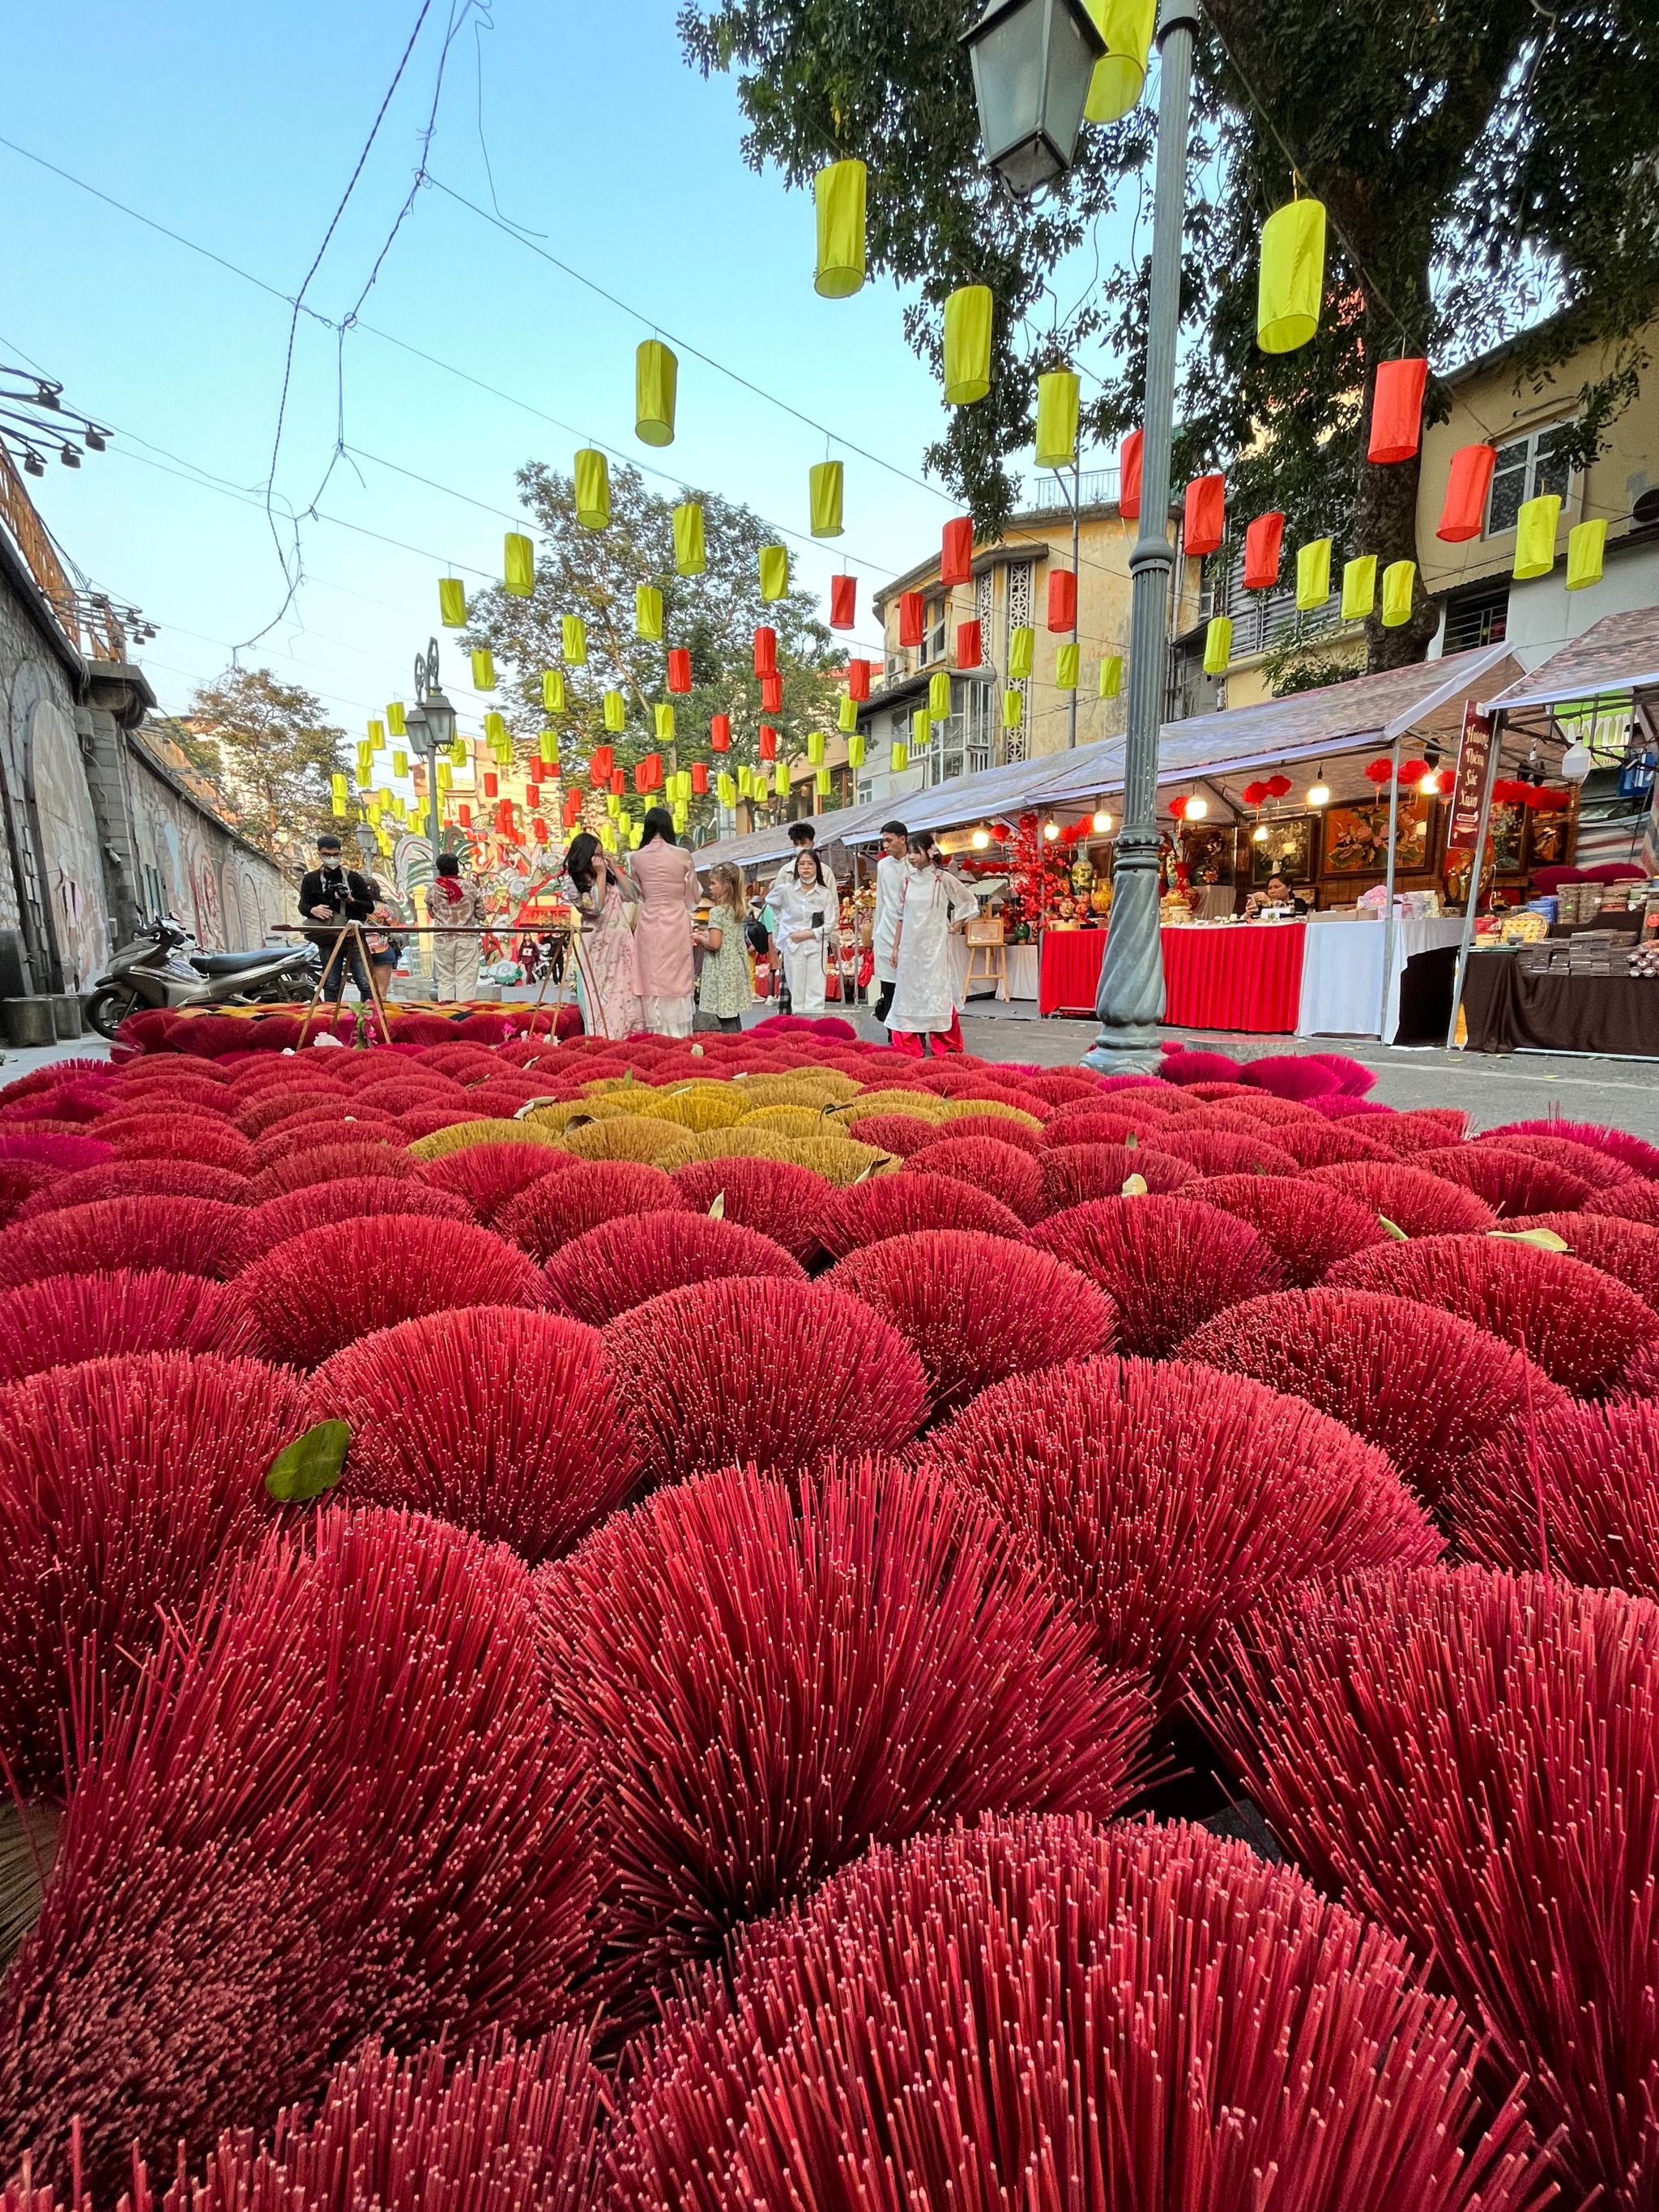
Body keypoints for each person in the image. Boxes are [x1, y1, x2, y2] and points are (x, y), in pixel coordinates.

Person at [889, 831, 979, 1055]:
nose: (911, 857)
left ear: (930, 852)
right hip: (911, 948)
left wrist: (958, 922)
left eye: (915, 852)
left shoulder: (943, 879)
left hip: (935, 947)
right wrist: (896, 947)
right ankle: (908, 1044)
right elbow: (901, 917)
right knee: (909, 992)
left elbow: (968, 901)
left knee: (937, 990)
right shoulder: (906, 881)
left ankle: (945, 1042)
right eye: (909, 852)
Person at [561, 830, 641, 1039]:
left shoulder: (609, 877)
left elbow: (633, 895)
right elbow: (595, 907)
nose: (599, 860)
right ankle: (603, 1039)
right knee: (599, 996)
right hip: (596, 948)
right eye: (596, 855)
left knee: (626, 994)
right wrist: (601, 875)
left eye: (601, 854)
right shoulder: (574, 883)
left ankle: (628, 1037)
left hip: (621, 944)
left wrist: (613, 868)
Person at [629, 807, 699, 1035]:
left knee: (651, 976)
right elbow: (693, 894)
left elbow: (638, 892)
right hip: (676, 920)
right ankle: (678, 1033)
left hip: (649, 920)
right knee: (677, 977)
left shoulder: (636, 857)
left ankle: (656, 1032)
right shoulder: (682, 854)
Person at [297, 833, 377, 1006]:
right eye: (327, 855)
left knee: (364, 981)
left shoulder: (353, 878)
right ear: (319, 854)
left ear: (341, 854)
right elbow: (302, 906)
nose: (332, 859)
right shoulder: (311, 879)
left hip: (353, 934)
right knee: (331, 982)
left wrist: (351, 900)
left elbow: (369, 907)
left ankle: (369, 1018)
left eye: (336, 855)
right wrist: (313, 910)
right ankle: (330, 1016)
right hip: (327, 936)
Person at [770, 847, 834, 1014]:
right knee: (797, 991)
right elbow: (771, 902)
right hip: (794, 947)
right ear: (797, 868)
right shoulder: (787, 890)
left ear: (817, 867)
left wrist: (807, 934)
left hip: (816, 946)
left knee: (816, 990)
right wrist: (785, 922)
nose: (806, 868)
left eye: (810, 864)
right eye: (802, 864)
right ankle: (799, 1029)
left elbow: (830, 924)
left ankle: (815, 1029)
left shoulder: (824, 893)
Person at [695, 862, 750, 1032]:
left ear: (726, 886)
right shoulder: (736, 909)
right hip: (735, 967)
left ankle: (731, 1048)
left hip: (722, 970)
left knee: (724, 1017)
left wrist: (700, 938)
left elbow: (715, 943)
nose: (710, 887)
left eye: (713, 883)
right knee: (733, 1014)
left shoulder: (717, 912)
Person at [427, 852, 486, 1001]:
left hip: (442, 939)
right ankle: (464, 1016)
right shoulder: (470, 887)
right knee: (465, 979)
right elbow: (482, 914)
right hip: (466, 938)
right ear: (457, 867)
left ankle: (446, 1016)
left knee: (445, 979)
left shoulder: (433, 889)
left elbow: (432, 913)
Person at [870, 818, 908, 1029]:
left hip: (909, 930)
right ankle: (891, 1030)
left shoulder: (915, 863)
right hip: (886, 930)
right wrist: (876, 935)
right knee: (888, 984)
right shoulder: (883, 865)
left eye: (889, 840)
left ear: (902, 839)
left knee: (909, 984)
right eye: (883, 841)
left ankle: (911, 1031)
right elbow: (881, 900)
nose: (885, 845)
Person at [364, 886, 406, 1004]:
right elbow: (395, 928)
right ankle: (378, 1015)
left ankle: (363, 1013)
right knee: (381, 989)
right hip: (381, 948)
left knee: (366, 987)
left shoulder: (353, 907)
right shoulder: (383, 908)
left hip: (359, 949)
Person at [1245, 872, 1309, 918]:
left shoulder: (1298, 903)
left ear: (1288, 888)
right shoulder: (1263, 907)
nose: (1272, 891)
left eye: (1277, 887)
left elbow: (1288, 916)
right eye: (1269, 888)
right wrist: (1248, 913)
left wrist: (1270, 902)